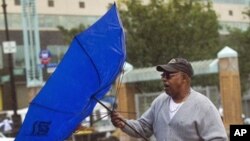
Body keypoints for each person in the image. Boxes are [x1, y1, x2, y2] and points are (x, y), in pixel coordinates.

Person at [110, 58, 228, 141]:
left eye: (169, 76)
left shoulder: (203, 106)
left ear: (184, 79)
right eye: (163, 75)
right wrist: (123, 123)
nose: (164, 79)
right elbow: (143, 127)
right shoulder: (160, 102)